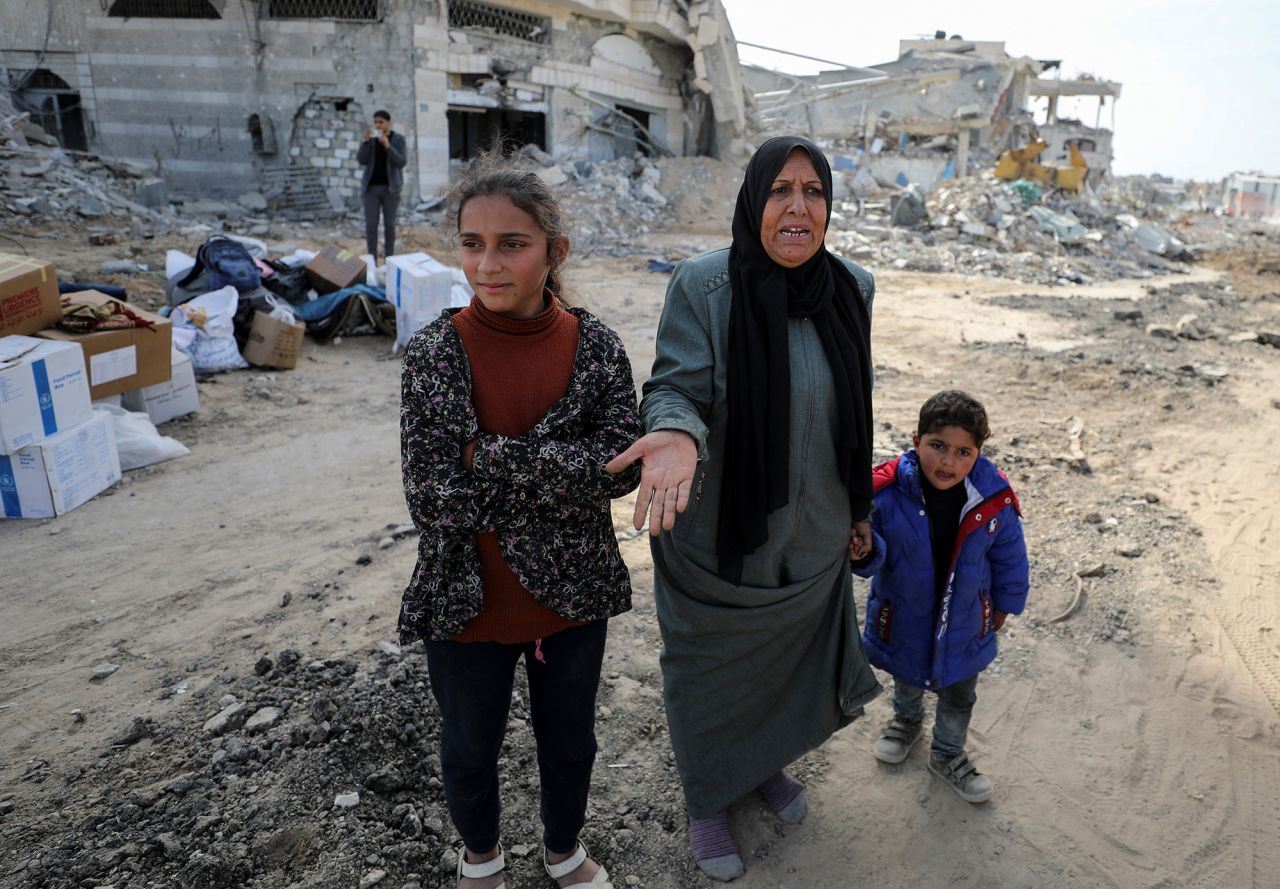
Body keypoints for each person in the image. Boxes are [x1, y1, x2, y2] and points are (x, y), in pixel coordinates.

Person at [606, 135, 882, 881]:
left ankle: (760, 766)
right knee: (708, 667)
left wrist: (858, 504)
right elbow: (674, 385)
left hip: (816, 523)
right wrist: (672, 432)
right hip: (721, 527)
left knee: (785, 661)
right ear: (752, 199)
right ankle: (708, 796)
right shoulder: (704, 285)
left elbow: (856, 397)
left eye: (814, 192)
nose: (798, 207)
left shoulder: (853, 286)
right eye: (780, 190)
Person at [398, 152, 641, 889]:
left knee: (570, 741)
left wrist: (487, 454)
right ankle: (483, 856)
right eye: (472, 243)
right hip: (466, 597)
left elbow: (621, 466)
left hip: (572, 599)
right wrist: (563, 476)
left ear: (553, 252)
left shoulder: (595, 348)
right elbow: (432, 495)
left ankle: (564, 849)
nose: (487, 264)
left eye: (512, 244)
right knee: (468, 744)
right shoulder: (436, 355)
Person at [852, 390, 1029, 803]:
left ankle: (948, 753)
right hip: (906, 613)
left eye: (963, 452)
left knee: (960, 691)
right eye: (938, 447)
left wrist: (1004, 603)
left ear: (979, 453)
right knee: (907, 674)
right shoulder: (887, 491)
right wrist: (864, 551)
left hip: (967, 619)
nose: (949, 462)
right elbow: (871, 548)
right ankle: (906, 721)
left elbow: (1010, 555)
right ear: (916, 441)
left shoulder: (992, 496)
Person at [357, 109, 407, 259]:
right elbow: (361, 160)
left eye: (381, 122)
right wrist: (365, 142)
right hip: (371, 189)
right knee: (371, 227)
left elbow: (401, 162)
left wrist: (387, 145)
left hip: (391, 190)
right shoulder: (371, 140)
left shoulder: (398, 139)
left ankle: (389, 260)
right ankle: (372, 261)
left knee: (389, 227)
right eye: (375, 122)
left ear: (388, 123)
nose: (377, 125)